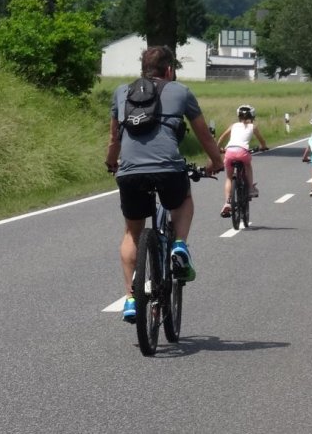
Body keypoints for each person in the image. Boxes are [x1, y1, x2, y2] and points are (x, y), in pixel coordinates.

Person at [105, 46, 224, 324]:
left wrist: (112, 164)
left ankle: (132, 298)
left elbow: (114, 139)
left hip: (130, 172)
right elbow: (204, 135)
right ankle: (180, 245)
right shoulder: (180, 91)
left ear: (143, 69)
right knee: (182, 201)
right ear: (169, 70)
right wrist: (216, 162)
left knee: (132, 233)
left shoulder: (122, 93)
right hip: (168, 169)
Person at [216, 104, 269, 218]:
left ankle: (227, 202)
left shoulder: (233, 126)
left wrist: (218, 148)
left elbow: (221, 138)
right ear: (252, 116)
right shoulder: (253, 127)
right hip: (243, 152)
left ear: (238, 116)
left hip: (229, 151)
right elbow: (262, 141)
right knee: (248, 166)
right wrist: (263, 146)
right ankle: (250, 188)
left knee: (229, 178)